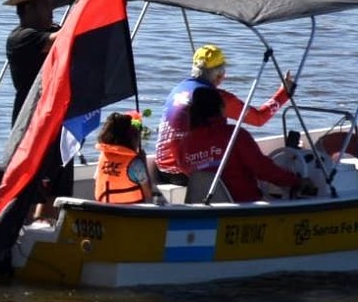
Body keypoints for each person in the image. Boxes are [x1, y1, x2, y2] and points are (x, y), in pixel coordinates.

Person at [154, 44, 296, 184]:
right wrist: (283, 93)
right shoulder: (215, 98)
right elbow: (259, 119)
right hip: (188, 173)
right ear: (220, 74)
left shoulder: (177, 90)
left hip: (161, 170)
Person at [3, 0, 72, 208]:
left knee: (57, 187)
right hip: (32, 121)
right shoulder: (21, 37)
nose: (51, 11)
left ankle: (50, 232)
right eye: (45, 5)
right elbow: (60, 40)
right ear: (29, 8)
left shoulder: (50, 31)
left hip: (56, 121)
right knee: (34, 188)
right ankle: (29, 229)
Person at [179, 86, 316, 202]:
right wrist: (296, 181)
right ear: (220, 109)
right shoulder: (234, 135)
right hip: (242, 207)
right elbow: (262, 169)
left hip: (203, 210)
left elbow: (186, 169)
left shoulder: (184, 143)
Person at [94, 113, 153, 205]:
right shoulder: (135, 163)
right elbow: (148, 194)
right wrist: (143, 162)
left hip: (104, 210)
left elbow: (97, 179)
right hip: (130, 213)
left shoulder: (103, 156)